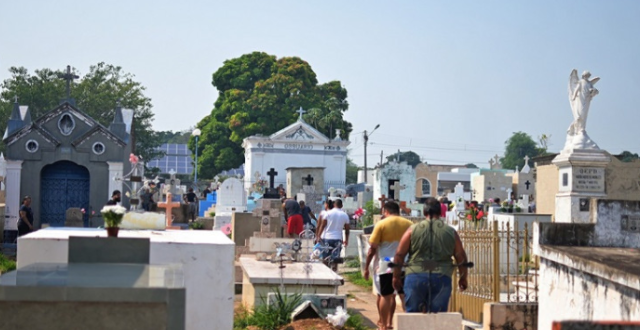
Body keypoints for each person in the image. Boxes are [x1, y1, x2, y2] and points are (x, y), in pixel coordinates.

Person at [393, 197, 468, 313]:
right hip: (442, 277)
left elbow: (399, 254)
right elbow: (461, 257)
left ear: (424, 212)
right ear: (440, 212)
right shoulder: (451, 232)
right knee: (437, 317)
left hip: (415, 275)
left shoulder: (412, 230)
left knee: (413, 316)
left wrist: (396, 276)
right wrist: (463, 277)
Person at [364, 201, 413, 330]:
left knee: (386, 295)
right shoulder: (409, 225)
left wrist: (366, 267)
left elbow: (372, 248)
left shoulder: (382, 224)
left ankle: (384, 325)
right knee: (403, 295)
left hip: (386, 262)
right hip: (404, 263)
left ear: (386, 211)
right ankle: (410, 325)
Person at [316, 199, 350, 271]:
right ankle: (334, 272)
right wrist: (346, 240)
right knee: (335, 258)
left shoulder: (328, 213)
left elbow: (322, 225)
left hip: (326, 238)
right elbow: (347, 230)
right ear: (342, 206)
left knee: (325, 257)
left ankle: (325, 271)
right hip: (338, 239)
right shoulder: (345, 215)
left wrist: (318, 236)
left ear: (334, 205)